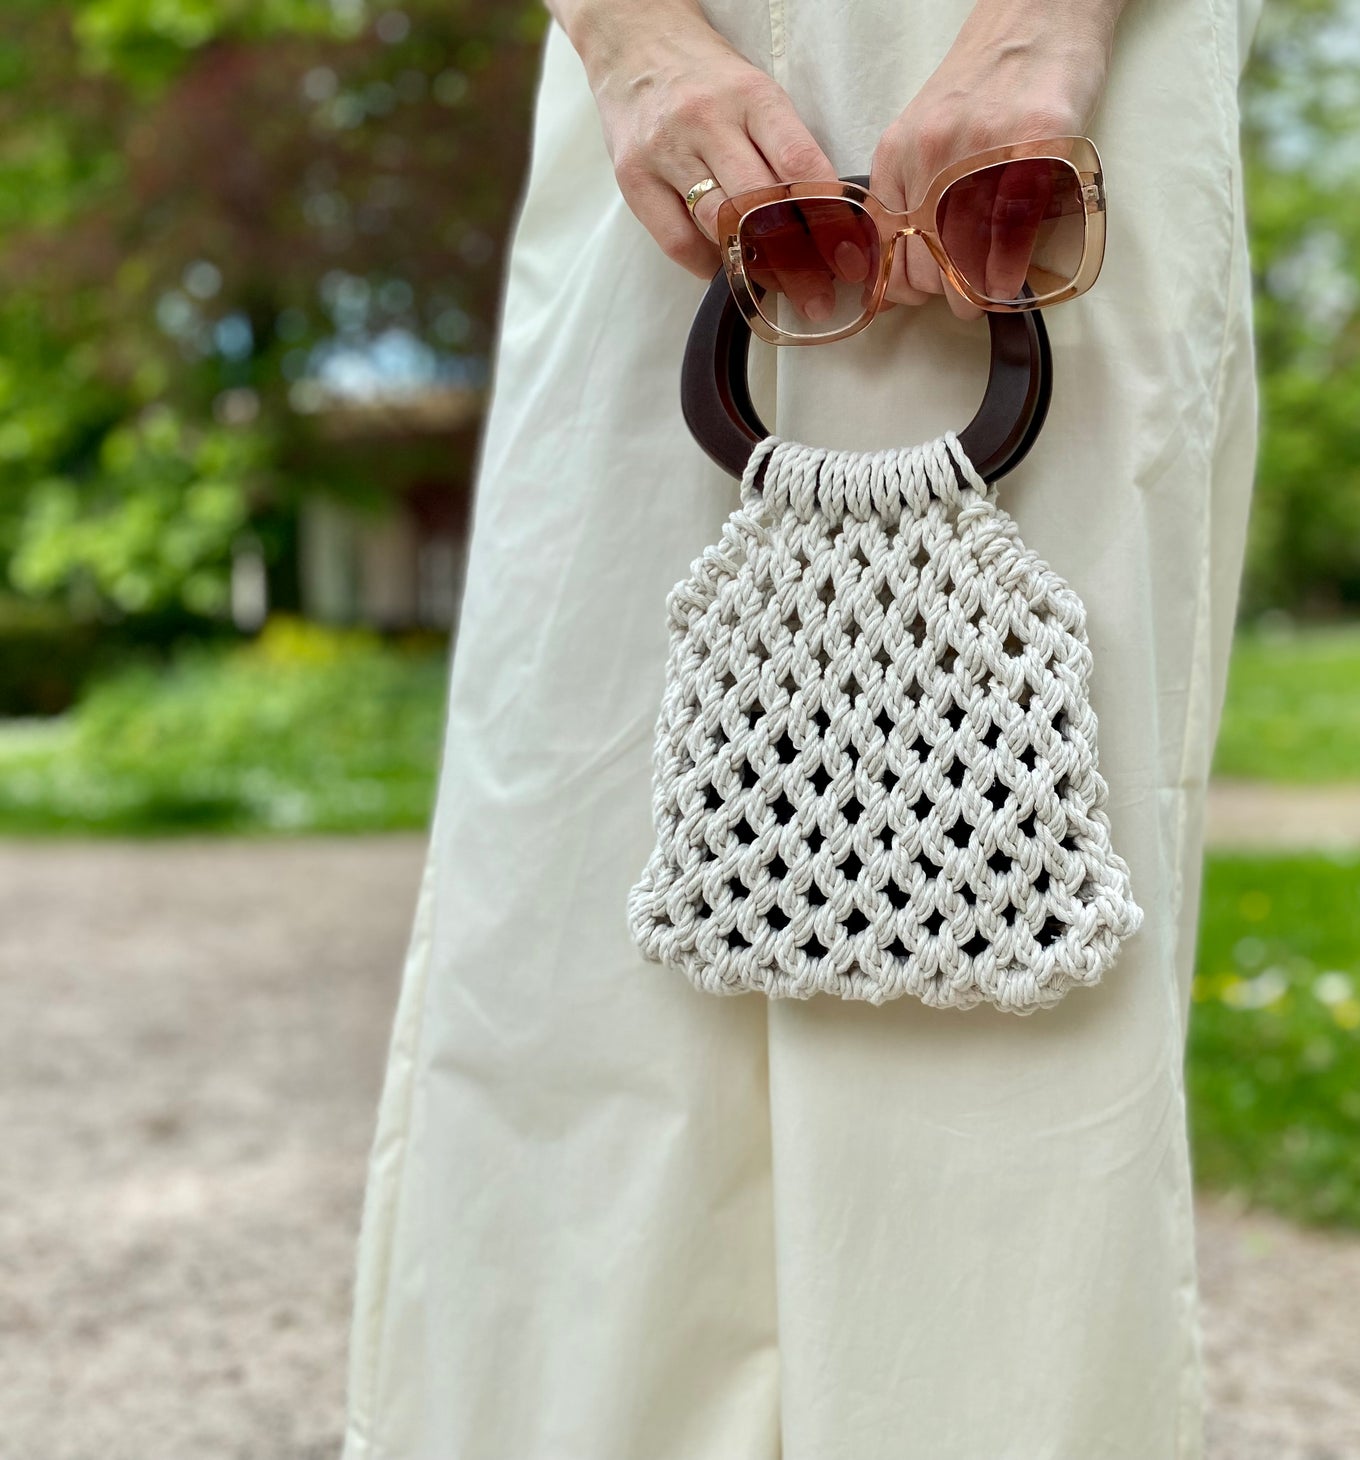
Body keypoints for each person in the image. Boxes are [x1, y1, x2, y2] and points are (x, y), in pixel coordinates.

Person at [337, 0, 1261, 1455]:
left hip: (1066, 74)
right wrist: (630, 40)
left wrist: (1045, 29)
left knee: (1014, 1015)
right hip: (661, 103)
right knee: (567, 915)